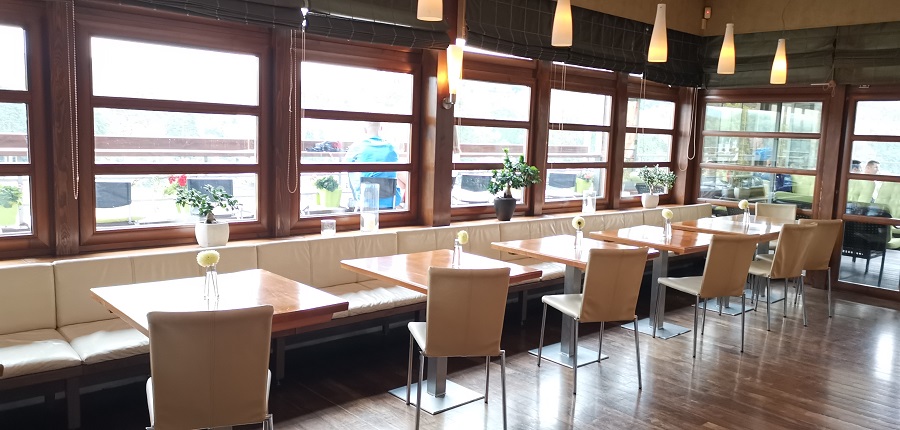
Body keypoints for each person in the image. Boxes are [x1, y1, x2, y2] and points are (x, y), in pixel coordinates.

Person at [344, 122, 402, 209]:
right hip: (390, 201)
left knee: (352, 173)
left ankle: (356, 199)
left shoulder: (358, 146)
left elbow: (345, 165)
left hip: (366, 200)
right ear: (381, 128)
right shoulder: (391, 147)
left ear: (364, 130)